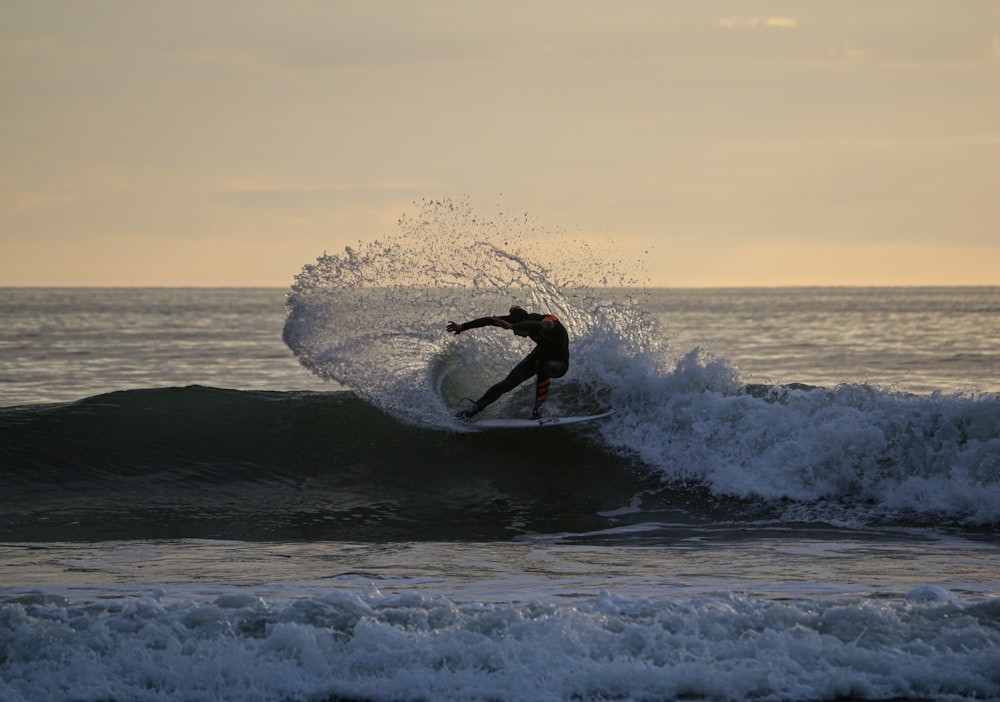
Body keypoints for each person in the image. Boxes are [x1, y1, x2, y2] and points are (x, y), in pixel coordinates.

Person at [446, 305, 569, 420]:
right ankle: (472, 411)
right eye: (514, 329)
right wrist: (463, 327)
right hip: (540, 355)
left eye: (516, 329)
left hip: (559, 364)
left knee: (541, 367)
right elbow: (490, 321)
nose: (515, 334)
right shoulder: (521, 319)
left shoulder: (547, 322)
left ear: (524, 323)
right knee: (506, 384)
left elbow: (543, 326)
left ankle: (538, 411)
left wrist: (512, 327)